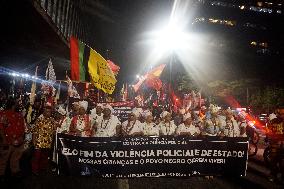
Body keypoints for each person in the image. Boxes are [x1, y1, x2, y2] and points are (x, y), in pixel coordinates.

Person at [0, 99, 26, 178]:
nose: (19, 104)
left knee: (15, 158)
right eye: (17, 103)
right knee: (3, 160)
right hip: (7, 141)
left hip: (18, 141)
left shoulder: (19, 115)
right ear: (13, 105)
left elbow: (22, 128)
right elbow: (1, 128)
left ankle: (15, 172)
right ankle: (1, 174)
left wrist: (21, 138)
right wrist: (4, 140)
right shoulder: (3, 114)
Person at [31, 104, 57, 175]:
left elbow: (55, 131)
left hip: (48, 141)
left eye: (50, 112)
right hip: (38, 141)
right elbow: (34, 131)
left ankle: (42, 168)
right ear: (44, 112)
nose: (48, 113)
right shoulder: (39, 120)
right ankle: (35, 170)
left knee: (45, 157)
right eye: (47, 111)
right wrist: (33, 141)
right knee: (37, 157)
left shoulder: (52, 120)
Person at [267, 111, 284, 182]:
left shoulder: (272, 122)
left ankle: (275, 176)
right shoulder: (272, 122)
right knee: (275, 161)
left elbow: (268, 132)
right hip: (275, 145)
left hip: (279, 145)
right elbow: (268, 132)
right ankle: (274, 176)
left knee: (278, 161)